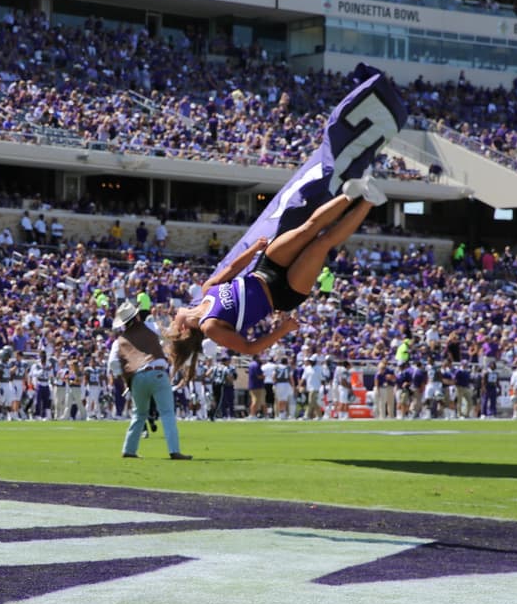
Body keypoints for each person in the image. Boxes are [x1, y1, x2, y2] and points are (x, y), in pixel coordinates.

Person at [165, 64, 405, 373]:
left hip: (265, 269)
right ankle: (369, 201)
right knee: (322, 243)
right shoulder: (211, 327)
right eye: (174, 322)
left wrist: (253, 251)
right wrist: (282, 331)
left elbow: (232, 268)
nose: (174, 316)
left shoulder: (206, 289)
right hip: (282, 294)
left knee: (308, 228)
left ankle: (351, 193)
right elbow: (250, 348)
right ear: (185, 329)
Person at [110, 301, 190, 460]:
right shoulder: (150, 326)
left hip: (137, 377)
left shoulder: (118, 342)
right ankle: (174, 450)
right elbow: (170, 334)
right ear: (137, 315)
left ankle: (129, 449)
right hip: (158, 373)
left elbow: (113, 364)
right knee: (167, 413)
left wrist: (126, 378)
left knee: (139, 414)